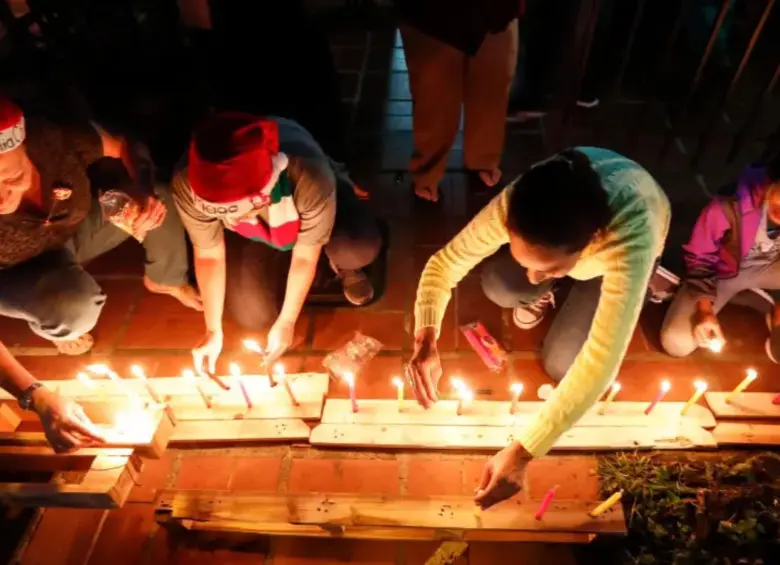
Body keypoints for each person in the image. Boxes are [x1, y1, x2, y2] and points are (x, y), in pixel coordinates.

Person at [406, 148, 670, 508]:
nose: (532, 277)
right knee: (502, 284)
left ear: (590, 240)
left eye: (547, 270)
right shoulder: (520, 202)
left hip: (609, 264)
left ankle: (602, 288)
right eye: (526, 261)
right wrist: (427, 335)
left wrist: (524, 451)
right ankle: (558, 280)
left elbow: (600, 363)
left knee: (564, 365)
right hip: (571, 249)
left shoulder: (631, 236)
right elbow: (444, 265)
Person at [0, 97, 199, 452]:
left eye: (12, 178)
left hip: (66, 231)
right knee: (74, 309)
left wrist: (139, 187)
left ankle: (164, 278)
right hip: (14, 270)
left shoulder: (52, 139)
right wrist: (38, 398)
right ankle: (55, 321)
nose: (1, 198)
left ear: (27, 148)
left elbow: (124, 145)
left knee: (156, 202)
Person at [172, 113, 382, 373]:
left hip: (312, 198)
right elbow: (208, 256)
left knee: (355, 248)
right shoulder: (187, 184)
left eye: (238, 210)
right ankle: (280, 253)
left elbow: (306, 256)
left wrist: (288, 321)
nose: (232, 218)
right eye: (222, 212)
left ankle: (337, 254)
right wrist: (212, 329)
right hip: (262, 230)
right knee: (252, 315)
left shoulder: (308, 176)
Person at [396, 0, 521, 201]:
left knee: (491, 88)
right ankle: (428, 170)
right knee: (433, 94)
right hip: (430, 14)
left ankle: (483, 159)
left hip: (496, 10)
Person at [661, 159, 780, 362]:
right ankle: (747, 295)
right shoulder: (731, 203)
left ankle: (774, 310)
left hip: (772, 268)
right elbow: (700, 258)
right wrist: (705, 310)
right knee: (677, 341)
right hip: (723, 273)